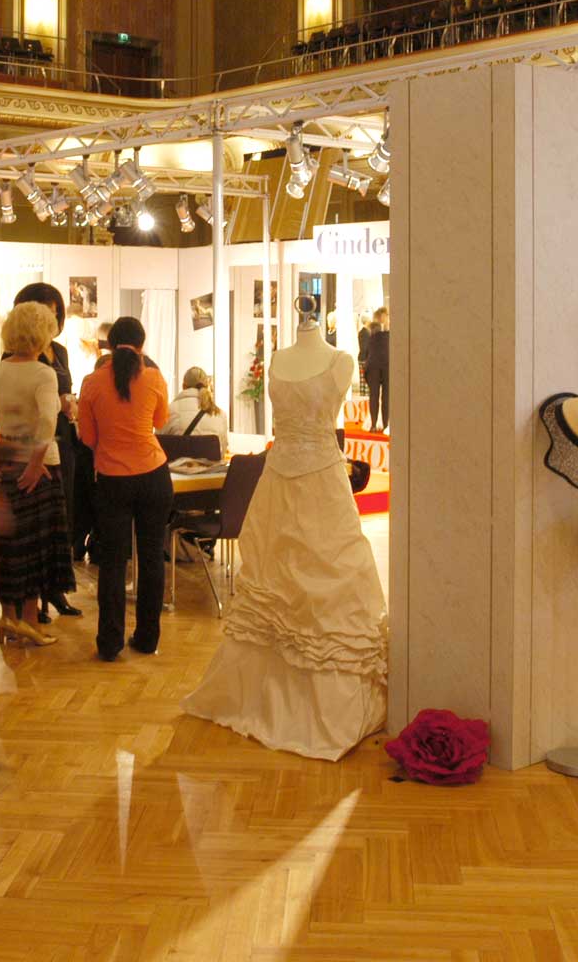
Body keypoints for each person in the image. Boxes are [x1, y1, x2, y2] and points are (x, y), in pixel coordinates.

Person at [183, 295, 388, 760]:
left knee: (316, 574)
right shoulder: (280, 359)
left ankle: (315, 703)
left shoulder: (340, 359)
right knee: (281, 576)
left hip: (313, 482)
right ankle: (272, 698)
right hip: (288, 481)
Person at [76, 315, 173, 661]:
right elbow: (160, 422)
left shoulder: (91, 383)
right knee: (151, 559)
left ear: (109, 345)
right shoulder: (154, 377)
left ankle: (110, 641)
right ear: (142, 344)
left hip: (113, 480)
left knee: (113, 563)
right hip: (153, 474)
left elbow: (87, 438)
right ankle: (147, 638)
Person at [0, 301, 69, 647]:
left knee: (11, 545)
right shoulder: (43, 373)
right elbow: (49, 419)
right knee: (37, 546)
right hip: (40, 466)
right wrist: (37, 462)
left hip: (6, 460)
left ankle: (10, 618)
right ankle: (28, 620)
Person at [11, 282, 83, 622]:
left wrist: (69, 404)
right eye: (45, 312)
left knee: (62, 517)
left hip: (63, 439)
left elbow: (65, 390)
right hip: (32, 446)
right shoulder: (20, 357)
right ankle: (32, 600)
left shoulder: (61, 352)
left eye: (56, 312)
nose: (52, 318)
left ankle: (55, 589)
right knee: (34, 523)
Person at [168, 367, 230, 456]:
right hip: (212, 469)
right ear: (207, 386)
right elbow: (223, 449)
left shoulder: (170, 410)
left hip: (176, 469)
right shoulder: (219, 413)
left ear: (183, 386)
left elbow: (159, 443)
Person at [363, 307, 390, 432]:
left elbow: (365, 351)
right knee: (385, 396)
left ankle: (374, 425)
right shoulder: (389, 335)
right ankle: (385, 425)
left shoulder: (370, 333)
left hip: (373, 364)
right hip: (386, 365)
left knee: (374, 395)